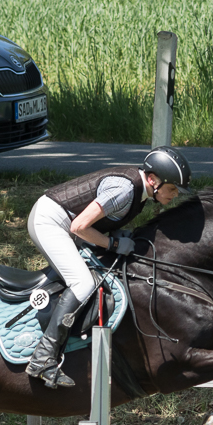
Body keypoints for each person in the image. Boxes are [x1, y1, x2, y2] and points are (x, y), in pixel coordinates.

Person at [25, 145, 192, 388]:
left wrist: (113, 234)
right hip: (50, 222)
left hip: (66, 222)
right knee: (83, 283)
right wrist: (112, 243)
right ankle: (42, 358)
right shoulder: (125, 190)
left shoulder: (141, 192)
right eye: (173, 188)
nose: (175, 194)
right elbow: (79, 227)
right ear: (154, 180)